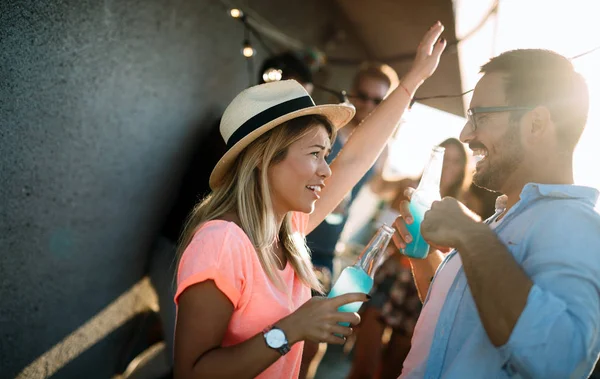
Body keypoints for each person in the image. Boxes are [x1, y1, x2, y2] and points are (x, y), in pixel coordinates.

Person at [172, 22, 446, 379]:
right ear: (263, 161)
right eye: (315, 154)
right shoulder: (222, 242)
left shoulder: (285, 231)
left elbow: (354, 159)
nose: (327, 170)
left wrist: (413, 81)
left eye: (326, 154)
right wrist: (291, 330)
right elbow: (191, 373)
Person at [392, 49, 600, 378]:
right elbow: (464, 318)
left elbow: (562, 361)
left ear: (536, 123)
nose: (465, 134)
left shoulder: (576, 224)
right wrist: (423, 257)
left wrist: (470, 234)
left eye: (481, 116)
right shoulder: (503, 219)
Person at [299, 61, 400, 379]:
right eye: (363, 95)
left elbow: (379, 186)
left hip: (327, 250)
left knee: (315, 342)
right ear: (351, 93)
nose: (368, 105)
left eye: (377, 101)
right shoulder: (326, 131)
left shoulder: (381, 151)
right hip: (297, 235)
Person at [348, 138, 471, 379]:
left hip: (423, 287)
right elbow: (382, 223)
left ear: (462, 170)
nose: (448, 166)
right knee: (364, 367)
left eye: (456, 162)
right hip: (391, 277)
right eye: (444, 159)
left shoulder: (463, 206)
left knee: (395, 370)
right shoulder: (410, 190)